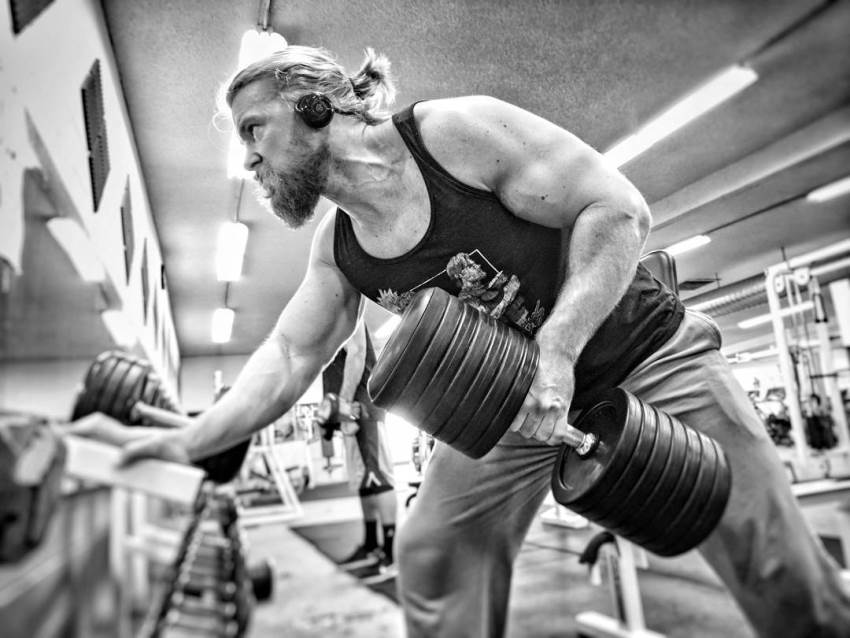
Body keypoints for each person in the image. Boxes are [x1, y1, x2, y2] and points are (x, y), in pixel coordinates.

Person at [107, 46, 850, 637]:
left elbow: (617, 211)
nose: (248, 160)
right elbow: (289, 359)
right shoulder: (343, 253)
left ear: (313, 102)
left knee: (778, 563)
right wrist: (192, 441)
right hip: (517, 405)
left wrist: (557, 351)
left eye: (252, 130)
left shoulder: (451, 136)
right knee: (435, 552)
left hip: (645, 352)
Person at [319, 319, 398, 576]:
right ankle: (371, 544)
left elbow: (357, 353)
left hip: (362, 407)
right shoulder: (325, 322)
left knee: (379, 478)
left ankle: (390, 551)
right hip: (346, 411)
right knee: (364, 480)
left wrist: (341, 404)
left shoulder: (348, 312)